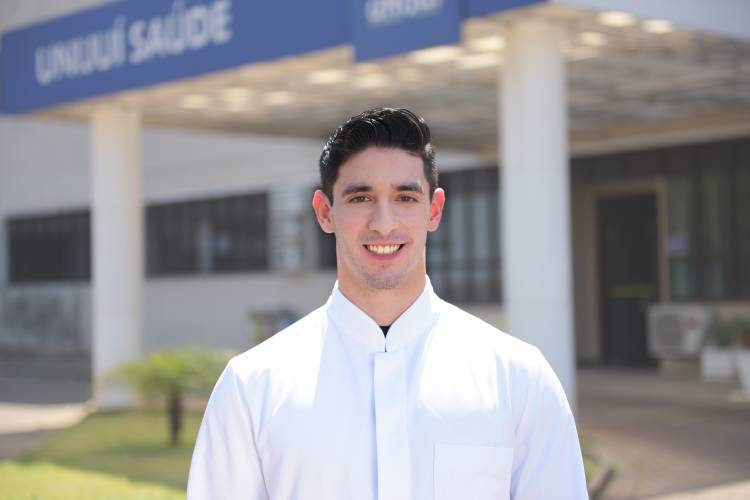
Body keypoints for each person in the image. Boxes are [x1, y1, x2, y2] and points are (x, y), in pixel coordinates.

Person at [187, 107, 588, 500]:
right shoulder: (252, 387)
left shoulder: (518, 378)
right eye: (361, 197)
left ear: (434, 211)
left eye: (405, 198)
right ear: (325, 212)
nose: (383, 223)